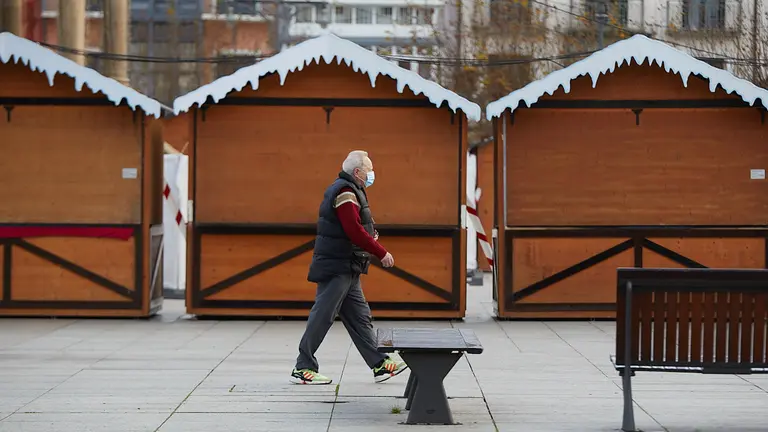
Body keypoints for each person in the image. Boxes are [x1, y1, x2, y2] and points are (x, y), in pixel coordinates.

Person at [290, 150, 408, 385]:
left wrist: (370, 234)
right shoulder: (345, 192)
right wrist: (380, 251)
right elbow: (352, 229)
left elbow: (356, 226)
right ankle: (303, 367)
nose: (372, 174)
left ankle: (380, 363)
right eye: (369, 170)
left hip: (348, 264)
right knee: (323, 315)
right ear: (357, 172)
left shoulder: (351, 190)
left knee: (359, 316)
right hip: (337, 265)